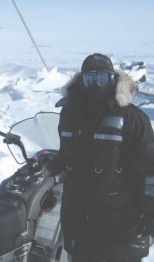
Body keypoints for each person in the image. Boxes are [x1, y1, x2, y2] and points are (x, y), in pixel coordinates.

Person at [48, 53, 154, 261]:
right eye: (90, 79)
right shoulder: (70, 114)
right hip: (79, 217)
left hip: (120, 223)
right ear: (82, 81)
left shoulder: (132, 117)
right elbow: (67, 155)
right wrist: (47, 166)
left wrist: (151, 207)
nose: (96, 85)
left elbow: (150, 167)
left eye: (102, 78)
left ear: (112, 80)